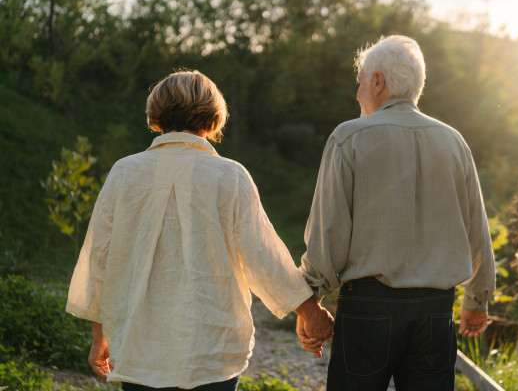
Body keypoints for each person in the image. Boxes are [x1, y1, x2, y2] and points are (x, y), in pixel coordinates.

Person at [66, 70, 333, 391]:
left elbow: (100, 258)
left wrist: (100, 336)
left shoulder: (125, 173)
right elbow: (264, 258)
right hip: (213, 349)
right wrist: (309, 312)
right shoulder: (230, 177)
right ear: (213, 119)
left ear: (156, 116)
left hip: (140, 345)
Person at [297, 36, 496, 390]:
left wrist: (311, 302)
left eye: (360, 82)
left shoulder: (348, 138)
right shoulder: (455, 142)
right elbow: (477, 229)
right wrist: (477, 299)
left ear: (377, 82)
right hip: (436, 311)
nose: (357, 93)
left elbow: (330, 232)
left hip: (368, 309)